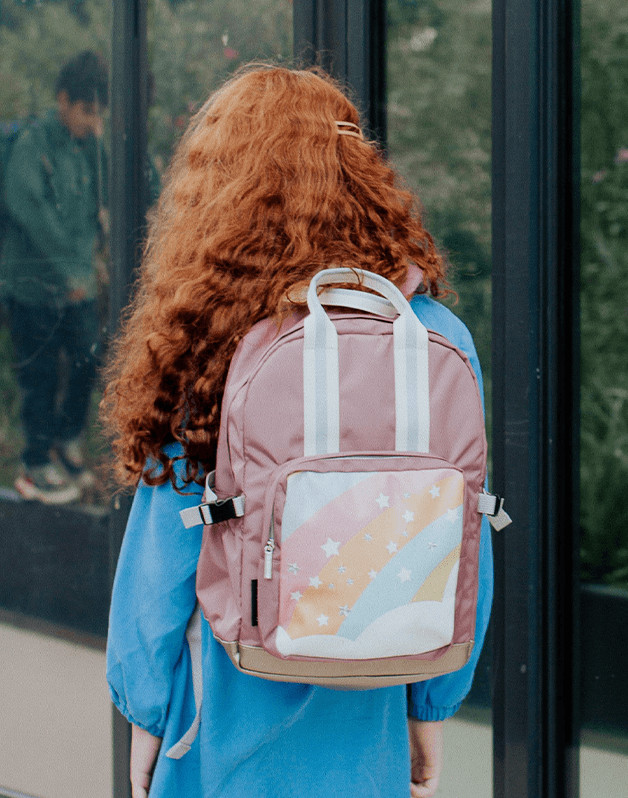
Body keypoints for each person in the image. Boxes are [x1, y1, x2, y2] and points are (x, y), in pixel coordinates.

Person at [102, 65, 493, 798]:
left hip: (221, 724)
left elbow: (163, 558)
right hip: (368, 724)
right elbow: (463, 533)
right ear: (360, 176)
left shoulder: (214, 341)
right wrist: (430, 708)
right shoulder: (433, 337)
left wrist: (145, 716)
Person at [0, 50, 108, 504]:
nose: (92, 122)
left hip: (78, 285)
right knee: (40, 376)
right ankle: (35, 463)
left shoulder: (87, 147)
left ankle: (66, 442)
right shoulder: (34, 145)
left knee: (89, 359)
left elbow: (96, 205)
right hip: (34, 289)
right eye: (86, 112)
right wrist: (70, 271)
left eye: (98, 114)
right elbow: (33, 213)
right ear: (63, 100)